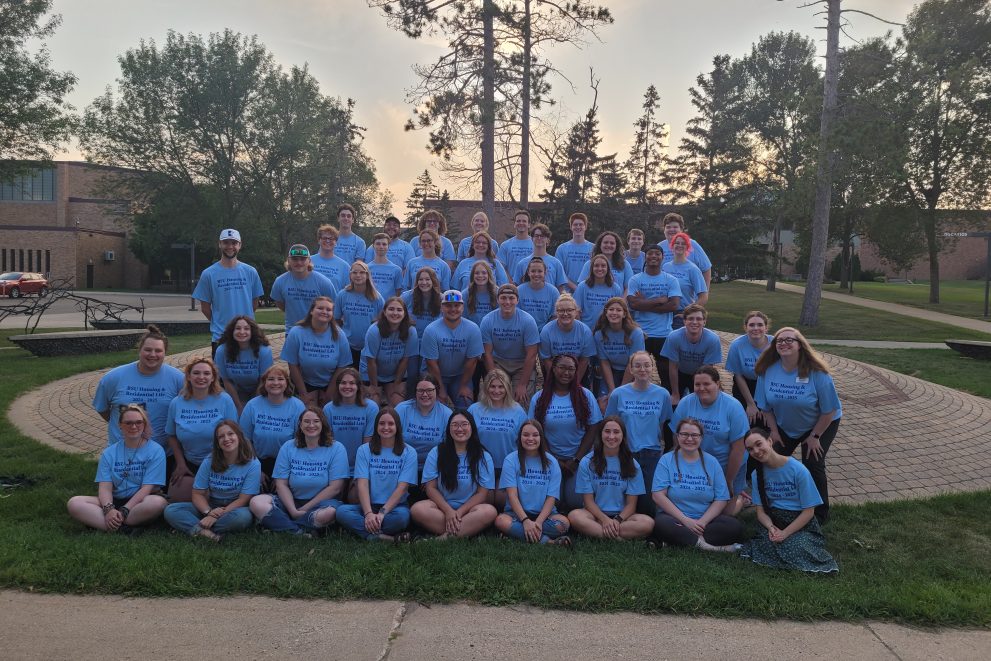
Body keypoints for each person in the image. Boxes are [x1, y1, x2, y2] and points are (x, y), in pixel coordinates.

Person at [755, 328, 841, 524]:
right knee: (768, 458)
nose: (784, 343)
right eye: (779, 340)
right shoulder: (767, 370)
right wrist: (774, 432)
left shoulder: (818, 373)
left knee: (813, 462)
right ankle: (770, 505)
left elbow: (829, 411)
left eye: (789, 340)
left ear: (800, 345)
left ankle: (819, 515)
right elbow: (765, 407)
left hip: (821, 423)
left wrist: (815, 437)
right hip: (785, 425)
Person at [740, 427, 838, 573]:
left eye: (759, 444)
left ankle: (781, 555)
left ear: (770, 441)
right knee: (769, 541)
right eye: (750, 449)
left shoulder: (798, 470)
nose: (756, 451)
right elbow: (761, 512)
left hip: (799, 522)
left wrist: (785, 533)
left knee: (796, 545)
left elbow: (809, 512)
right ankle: (786, 556)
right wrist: (771, 528)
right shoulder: (756, 474)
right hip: (774, 520)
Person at [67, 404, 168, 533]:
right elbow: (105, 487)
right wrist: (109, 509)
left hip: (140, 501)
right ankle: (125, 527)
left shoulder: (156, 450)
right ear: (120, 425)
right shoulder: (109, 452)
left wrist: (125, 509)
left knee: (158, 502)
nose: (133, 426)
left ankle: (108, 523)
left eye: (138, 422)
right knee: (74, 503)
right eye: (128, 423)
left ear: (144, 424)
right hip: (114, 500)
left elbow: (146, 489)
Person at [249, 406, 349, 535]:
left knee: (330, 513)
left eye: (316, 421)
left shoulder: (336, 448)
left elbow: (335, 488)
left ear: (323, 424)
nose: (311, 425)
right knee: (256, 502)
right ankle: (300, 531)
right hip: (291, 501)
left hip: (322, 505)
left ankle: (282, 526)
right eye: (306, 421)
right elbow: (281, 484)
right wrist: (293, 510)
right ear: (300, 425)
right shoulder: (288, 446)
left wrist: (305, 509)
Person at [651, 418, 744, 552]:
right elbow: (658, 495)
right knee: (661, 524)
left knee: (733, 526)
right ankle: (712, 548)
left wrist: (702, 522)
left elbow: (721, 498)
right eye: (684, 434)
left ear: (701, 438)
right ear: (677, 436)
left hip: (705, 522)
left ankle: (679, 541)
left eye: (694, 435)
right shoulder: (666, 460)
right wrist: (685, 521)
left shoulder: (712, 462)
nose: (689, 439)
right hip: (675, 520)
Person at [163, 420, 260, 541]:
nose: (226, 439)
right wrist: (209, 512)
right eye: (221, 436)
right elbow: (197, 494)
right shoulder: (209, 460)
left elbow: (243, 499)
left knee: (244, 517)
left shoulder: (253, 463)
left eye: (230, 434)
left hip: (235, 508)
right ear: (218, 443)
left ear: (239, 436)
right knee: (171, 510)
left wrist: (216, 516)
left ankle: (195, 529)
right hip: (211, 505)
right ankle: (207, 533)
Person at [529, 354, 602, 511]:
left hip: (577, 460)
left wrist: (576, 460)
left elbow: (593, 428)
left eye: (571, 369)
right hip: (548, 459)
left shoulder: (585, 395)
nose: (566, 373)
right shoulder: (540, 398)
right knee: (552, 501)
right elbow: (536, 431)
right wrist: (553, 459)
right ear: (553, 369)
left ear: (576, 372)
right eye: (562, 368)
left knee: (575, 502)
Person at [670, 366, 749, 509]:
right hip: (696, 463)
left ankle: (739, 502)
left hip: (727, 465)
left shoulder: (733, 407)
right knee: (698, 506)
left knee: (725, 513)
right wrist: (681, 463)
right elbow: (676, 435)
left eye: (706, 384)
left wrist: (728, 480)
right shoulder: (686, 402)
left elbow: (739, 448)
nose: (701, 388)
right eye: (697, 384)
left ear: (717, 384)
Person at [92, 324, 183, 450]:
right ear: (139, 350)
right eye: (148, 349)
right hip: (121, 451)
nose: (152, 354)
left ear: (165, 353)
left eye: (158, 351)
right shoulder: (113, 377)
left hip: (162, 453)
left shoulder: (178, 379)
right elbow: (102, 408)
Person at [411, 410, 498, 539]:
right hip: (442, 508)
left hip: (470, 509)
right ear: (449, 429)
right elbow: (431, 488)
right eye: (455, 425)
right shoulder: (437, 452)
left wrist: (458, 512)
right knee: (417, 509)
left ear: (472, 427)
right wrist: (448, 511)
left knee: (489, 512)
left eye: (464, 424)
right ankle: (466, 530)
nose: (459, 429)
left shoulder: (483, 456)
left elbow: (482, 494)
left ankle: (444, 537)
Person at [336, 407, 419, 542]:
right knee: (341, 512)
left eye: (391, 424)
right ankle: (382, 537)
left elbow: (402, 487)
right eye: (381, 423)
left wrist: (382, 513)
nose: (386, 427)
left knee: (402, 518)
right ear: (376, 426)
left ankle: (361, 531)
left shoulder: (409, 452)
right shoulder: (364, 450)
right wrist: (368, 513)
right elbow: (361, 484)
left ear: (397, 426)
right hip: (368, 505)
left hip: (395, 508)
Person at [605, 351, 671, 514]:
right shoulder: (618, 394)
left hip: (651, 453)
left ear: (652, 368)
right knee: (623, 500)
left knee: (647, 505)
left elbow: (662, 424)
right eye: (638, 365)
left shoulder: (662, 394)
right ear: (631, 369)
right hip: (625, 452)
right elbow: (609, 423)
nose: (643, 369)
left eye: (647, 365)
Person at [568, 416, 654, 540]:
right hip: (594, 515)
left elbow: (631, 505)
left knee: (647, 523)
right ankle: (617, 538)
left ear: (623, 436)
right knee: (575, 516)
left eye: (616, 432)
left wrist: (617, 521)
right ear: (600, 434)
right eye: (607, 431)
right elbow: (588, 501)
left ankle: (600, 533)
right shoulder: (587, 462)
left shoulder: (632, 464)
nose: (611, 436)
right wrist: (604, 520)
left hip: (622, 517)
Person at [165, 357, 238, 502]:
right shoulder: (177, 402)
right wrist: (180, 464)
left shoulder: (224, 400)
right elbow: (171, 435)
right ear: (188, 377)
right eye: (196, 373)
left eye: (206, 373)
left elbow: (235, 435)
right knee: (177, 499)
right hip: (190, 463)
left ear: (213, 378)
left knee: (220, 499)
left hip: (220, 462)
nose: (201, 377)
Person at [494, 420, 571, 545]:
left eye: (535, 435)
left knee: (564, 524)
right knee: (501, 520)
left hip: (546, 516)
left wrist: (539, 522)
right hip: (516, 515)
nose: (530, 439)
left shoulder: (552, 462)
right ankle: (548, 542)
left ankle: (517, 534)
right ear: (520, 437)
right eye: (526, 435)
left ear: (541, 437)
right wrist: (525, 520)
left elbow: (551, 498)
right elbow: (512, 496)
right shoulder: (510, 460)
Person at [193, 228, 264, 352]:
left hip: (247, 336)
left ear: (240, 245)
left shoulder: (251, 272)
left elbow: (254, 303)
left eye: (234, 243)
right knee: (220, 372)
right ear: (220, 244)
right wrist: (220, 323)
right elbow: (205, 308)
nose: (230, 246)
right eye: (226, 242)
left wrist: (242, 325)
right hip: (221, 337)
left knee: (248, 371)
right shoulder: (208, 274)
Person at [238, 364, 305, 491]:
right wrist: (255, 468)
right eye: (270, 379)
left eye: (280, 379)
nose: (275, 383)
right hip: (257, 461)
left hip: (287, 464)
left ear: (287, 383)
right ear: (264, 383)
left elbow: (300, 442)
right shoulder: (252, 405)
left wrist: (283, 474)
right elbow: (244, 439)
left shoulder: (297, 406)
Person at [468, 369, 528, 507]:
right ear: (486, 387)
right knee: (487, 500)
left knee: (501, 501)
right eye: (492, 386)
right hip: (481, 464)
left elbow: (524, 441)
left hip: (507, 465)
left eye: (501, 387)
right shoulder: (474, 409)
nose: (496, 391)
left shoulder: (517, 410)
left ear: (507, 388)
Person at [626, 243, 682, 391]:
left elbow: (674, 305)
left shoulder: (671, 280)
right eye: (650, 253)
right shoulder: (635, 279)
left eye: (657, 254)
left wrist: (644, 302)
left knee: (666, 375)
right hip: (640, 333)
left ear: (662, 257)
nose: (654, 256)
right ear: (645, 256)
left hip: (663, 334)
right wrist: (658, 300)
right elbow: (632, 304)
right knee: (636, 373)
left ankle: (669, 405)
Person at [281, 296, 352, 408]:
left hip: (330, 383)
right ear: (311, 311)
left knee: (328, 411)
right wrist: (304, 394)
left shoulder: (339, 335)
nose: (324, 312)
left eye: (329, 310)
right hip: (305, 382)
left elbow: (342, 367)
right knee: (310, 412)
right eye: (320, 308)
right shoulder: (296, 332)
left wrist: (330, 392)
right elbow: (293, 365)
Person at [420, 290, 483, 408]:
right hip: (434, 374)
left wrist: (464, 386)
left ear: (463, 307)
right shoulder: (431, 330)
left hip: (460, 375)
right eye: (448, 305)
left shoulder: (473, 329)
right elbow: (431, 363)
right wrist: (441, 389)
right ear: (441, 308)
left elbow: (472, 361)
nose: (453, 309)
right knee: (433, 404)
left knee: (465, 403)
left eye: (457, 305)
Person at [480, 283, 539, 405]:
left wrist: (522, 384)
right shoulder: (488, 320)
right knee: (494, 397)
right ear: (497, 300)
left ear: (517, 300)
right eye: (503, 298)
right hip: (498, 362)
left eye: (511, 298)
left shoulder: (528, 321)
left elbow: (532, 354)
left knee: (522, 400)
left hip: (521, 363)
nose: (507, 302)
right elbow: (487, 353)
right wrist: (494, 377)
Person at [660, 303, 723, 405]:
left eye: (699, 319)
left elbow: (707, 370)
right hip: (680, 373)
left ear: (704, 322)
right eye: (690, 319)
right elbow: (673, 367)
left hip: (700, 374)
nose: (694, 322)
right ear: (684, 321)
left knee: (701, 402)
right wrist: (675, 394)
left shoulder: (712, 339)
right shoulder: (674, 337)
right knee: (673, 403)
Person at [361, 296, 418, 407]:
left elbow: (405, 360)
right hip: (371, 374)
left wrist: (397, 384)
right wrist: (374, 386)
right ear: (384, 312)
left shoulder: (411, 331)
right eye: (391, 309)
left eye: (399, 310)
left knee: (399, 405)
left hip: (394, 374)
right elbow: (371, 361)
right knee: (373, 405)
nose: (395, 313)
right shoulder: (374, 330)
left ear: (405, 313)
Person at [323, 367, 379, 476]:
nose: (347, 386)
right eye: (343, 383)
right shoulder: (328, 409)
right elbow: (329, 441)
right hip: (336, 463)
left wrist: (361, 470)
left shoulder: (371, 408)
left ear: (358, 386)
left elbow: (367, 442)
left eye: (352, 383)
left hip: (362, 463)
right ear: (337, 386)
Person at [270, 244, 338, 332]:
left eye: (303, 259)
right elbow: (281, 304)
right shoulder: (280, 281)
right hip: (292, 331)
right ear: (288, 260)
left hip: (318, 332)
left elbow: (334, 307)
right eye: (295, 259)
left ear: (309, 261)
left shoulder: (324, 282)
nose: (299, 262)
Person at [215, 316, 274, 413]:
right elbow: (226, 381)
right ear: (232, 331)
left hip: (261, 389)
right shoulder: (222, 351)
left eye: (246, 328)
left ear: (252, 332)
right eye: (238, 328)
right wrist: (238, 406)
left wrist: (252, 405)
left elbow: (263, 381)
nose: (242, 332)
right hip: (236, 390)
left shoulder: (264, 350)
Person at [400, 267, 443, 397]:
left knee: (426, 375)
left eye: (427, 279)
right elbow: (396, 313)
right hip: (412, 342)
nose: (424, 282)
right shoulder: (407, 296)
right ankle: (411, 401)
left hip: (431, 344)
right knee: (412, 375)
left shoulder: (441, 299)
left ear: (434, 281)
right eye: (421, 279)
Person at [395, 374, 453, 469]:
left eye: (429, 390)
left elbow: (449, 448)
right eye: (421, 390)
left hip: (434, 467)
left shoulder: (446, 414)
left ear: (437, 390)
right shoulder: (402, 409)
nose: (425, 394)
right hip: (403, 465)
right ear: (415, 391)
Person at [593, 297, 645, 401]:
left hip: (633, 371)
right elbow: (604, 362)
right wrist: (612, 390)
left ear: (624, 314)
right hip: (611, 371)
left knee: (626, 400)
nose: (614, 313)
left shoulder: (636, 333)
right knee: (604, 402)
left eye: (618, 310)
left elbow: (633, 362)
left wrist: (620, 390)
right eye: (611, 309)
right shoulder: (599, 334)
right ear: (606, 313)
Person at [725, 310, 773, 424]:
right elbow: (738, 375)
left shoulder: (775, 344)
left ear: (766, 328)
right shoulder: (737, 345)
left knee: (766, 421)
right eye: (751, 325)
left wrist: (765, 407)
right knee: (745, 419)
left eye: (760, 325)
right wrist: (750, 404)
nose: (755, 328)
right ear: (746, 328)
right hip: (745, 383)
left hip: (769, 384)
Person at [335, 261, 385, 368]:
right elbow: (336, 320)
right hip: (347, 345)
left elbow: (383, 322)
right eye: (354, 272)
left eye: (362, 272)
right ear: (350, 275)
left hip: (369, 346)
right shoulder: (342, 295)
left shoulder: (377, 297)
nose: (358, 275)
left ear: (367, 276)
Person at [538, 294, 596, 386]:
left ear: (576, 312)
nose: (565, 314)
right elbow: (546, 359)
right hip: (554, 369)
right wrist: (556, 380)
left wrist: (575, 383)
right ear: (556, 312)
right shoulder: (547, 331)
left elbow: (584, 360)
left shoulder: (585, 331)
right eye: (561, 310)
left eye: (569, 310)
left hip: (577, 369)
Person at [662, 232, 708, 328]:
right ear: (672, 246)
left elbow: (703, 297)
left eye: (683, 244)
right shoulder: (665, 267)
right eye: (677, 243)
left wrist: (687, 313)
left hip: (681, 314)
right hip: (664, 312)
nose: (680, 245)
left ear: (687, 247)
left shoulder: (693, 269)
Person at [657, 212, 712, 289]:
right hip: (666, 296)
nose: (671, 229)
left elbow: (706, 268)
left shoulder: (692, 244)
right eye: (668, 227)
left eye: (675, 227)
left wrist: (704, 294)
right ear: (664, 230)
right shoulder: (659, 247)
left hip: (689, 298)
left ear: (681, 229)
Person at [510, 223, 567, 291]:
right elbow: (516, 288)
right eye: (536, 236)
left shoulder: (556, 263)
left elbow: (561, 289)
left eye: (542, 236)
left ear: (548, 240)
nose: (539, 238)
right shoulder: (522, 263)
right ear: (532, 239)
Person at [574, 254, 623, 328]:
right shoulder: (582, 286)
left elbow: (619, 313)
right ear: (592, 268)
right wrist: (582, 330)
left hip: (607, 331)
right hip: (586, 330)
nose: (600, 269)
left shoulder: (616, 288)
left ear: (608, 269)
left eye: (603, 266)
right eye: (596, 266)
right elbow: (576, 311)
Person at [516, 257, 560, 329]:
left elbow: (555, 316)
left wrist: (545, 330)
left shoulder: (553, 292)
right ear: (528, 272)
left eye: (540, 271)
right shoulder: (519, 290)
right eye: (533, 271)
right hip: (523, 330)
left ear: (545, 272)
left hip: (546, 331)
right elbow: (516, 314)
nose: (536, 274)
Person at [555, 212, 594, 292]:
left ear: (585, 227)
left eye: (581, 224)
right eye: (575, 224)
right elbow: (559, 273)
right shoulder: (561, 249)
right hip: (567, 294)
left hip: (588, 292)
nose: (578, 227)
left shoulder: (594, 248)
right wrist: (576, 288)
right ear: (571, 227)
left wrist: (582, 288)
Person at [311, 225, 354, 290]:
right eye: (324, 238)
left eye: (331, 239)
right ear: (319, 241)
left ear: (336, 242)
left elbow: (349, 290)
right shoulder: (308, 261)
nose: (328, 241)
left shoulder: (345, 266)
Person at [496, 209, 534, 277]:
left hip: (532, 285)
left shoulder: (535, 244)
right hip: (511, 285)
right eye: (518, 221)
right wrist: (511, 282)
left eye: (524, 221)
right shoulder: (505, 245)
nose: (521, 223)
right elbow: (501, 268)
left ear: (529, 225)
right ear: (514, 224)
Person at [368, 232, 404, 297]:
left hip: (388, 306)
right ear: (373, 246)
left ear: (388, 246)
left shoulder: (396, 270)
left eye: (384, 244)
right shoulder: (367, 268)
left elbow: (398, 292)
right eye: (378, 244)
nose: (381, 246)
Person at [461, 260, 497, 325]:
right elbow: (463, 319)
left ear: (489, 275)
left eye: (484, 273)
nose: (480, 275)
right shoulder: (465, 294)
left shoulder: (497, 292)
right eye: (477, 273)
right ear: (472, 276)